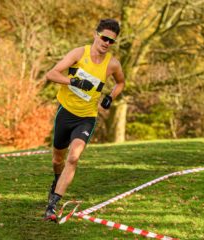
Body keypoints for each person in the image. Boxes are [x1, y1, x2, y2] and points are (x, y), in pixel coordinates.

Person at [43, 18, 125, 222]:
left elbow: (121, 83)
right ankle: (56, 181)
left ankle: (52, 205)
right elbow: (51, 74)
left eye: (111, 41)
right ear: (95, 35)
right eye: (104, 38)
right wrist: (72, 81)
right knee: (57, 160)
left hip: (87, 117)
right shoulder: (79, 53)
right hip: (66, 113)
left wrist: (110, 97)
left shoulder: (112, 64)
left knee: (73, 157)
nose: (106, 43)